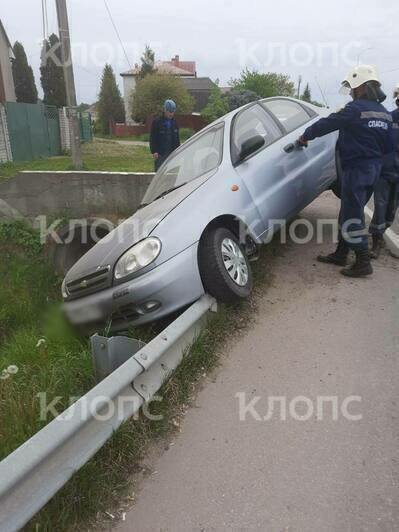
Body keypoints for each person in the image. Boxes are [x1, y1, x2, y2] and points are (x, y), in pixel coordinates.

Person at [297, 65, 393, 278]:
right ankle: (341, 253)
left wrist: (305, 136)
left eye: (352, 87)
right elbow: (388, 147)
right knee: (351, 210)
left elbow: (327, 123)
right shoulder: (385, 113)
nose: (350, 92)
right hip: (374, 169)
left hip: (356, 169)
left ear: (360, 87)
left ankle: (362, 261)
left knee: (352, 214)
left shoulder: (354, 109)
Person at [368, 84, 399, 258]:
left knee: (391, 210)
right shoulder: (389, 118)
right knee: (380, 206)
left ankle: (381, 235)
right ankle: (376, 242)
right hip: (384, 171)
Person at [149, 99, 180, 171]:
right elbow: (153, 138)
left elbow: (177, 138)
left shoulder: (174, 123)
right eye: (169, 112)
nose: (171, 114)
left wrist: (178, 151)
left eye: (173, 112)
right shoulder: (157, 122)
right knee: (159, 173)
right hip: (160, 154)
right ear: (165, 110)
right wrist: (154, 151)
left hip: (172, 154)